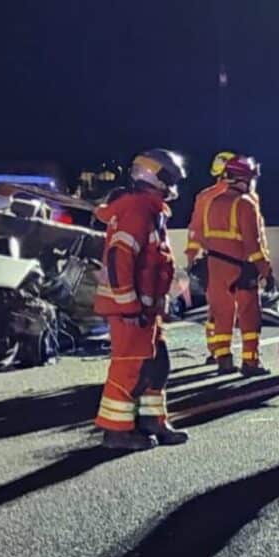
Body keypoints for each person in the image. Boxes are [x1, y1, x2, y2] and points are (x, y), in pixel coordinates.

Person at [92, 148, 188, 451]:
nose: (173, 183)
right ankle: (116, 431)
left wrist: (158, 304)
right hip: (131, 310)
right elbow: (119, 259)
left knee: (157, 365)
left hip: (146, 309)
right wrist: (129, 305)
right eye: (169, 177)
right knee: (129, 368)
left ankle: (152, 421)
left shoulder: (150, 209)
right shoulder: (137, 210)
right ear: (154, 176)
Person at [188, 154, 272, 375]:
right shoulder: (246, 204)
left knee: (221, 314)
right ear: (245, 178)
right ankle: (250, 362)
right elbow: (253, 245)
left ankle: (223, 359)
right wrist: (266, 270)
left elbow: (201, 235)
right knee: (249, 315)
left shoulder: (212, 201)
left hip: (215, 267)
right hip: (241, 269)